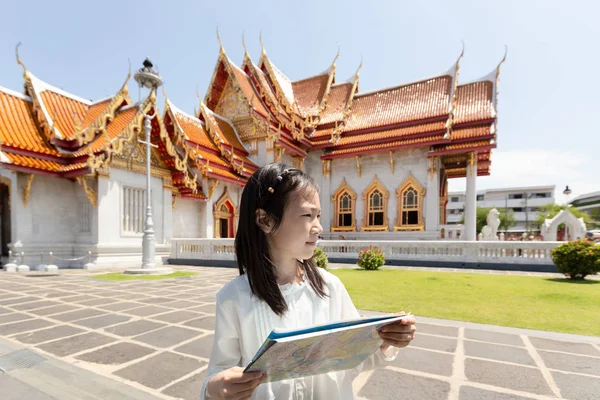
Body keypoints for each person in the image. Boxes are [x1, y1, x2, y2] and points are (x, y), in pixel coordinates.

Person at [201, 163, 416, 399]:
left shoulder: (330, 287)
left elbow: (353, 360)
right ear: (265, 220)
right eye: (307, 215)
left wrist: (387, 341)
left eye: (319, 216)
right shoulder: (233, 298)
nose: (318, 227)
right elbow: (219, 371)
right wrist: (217, 386)